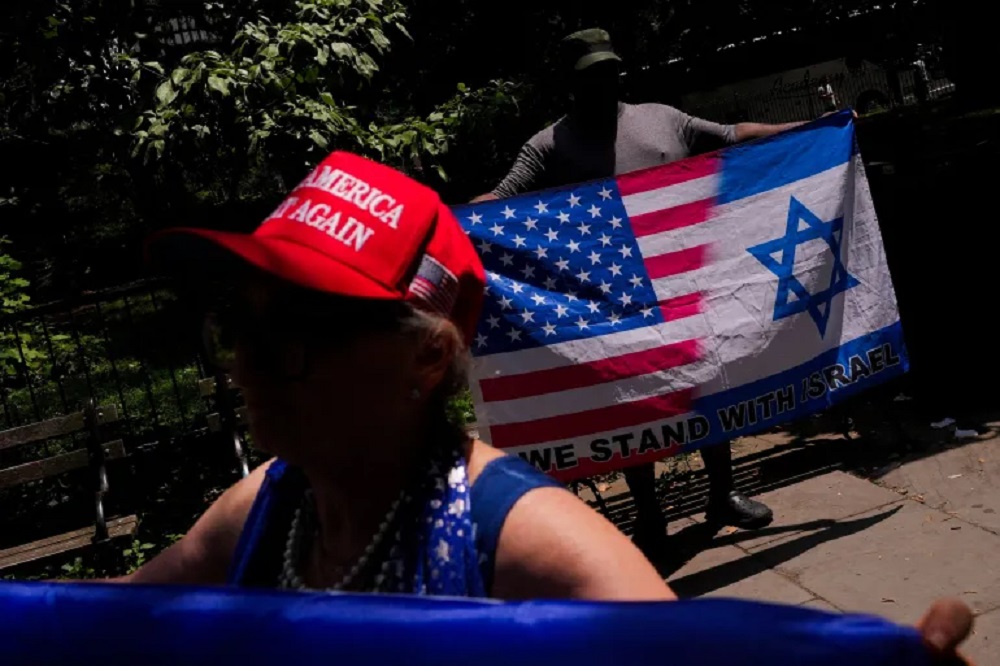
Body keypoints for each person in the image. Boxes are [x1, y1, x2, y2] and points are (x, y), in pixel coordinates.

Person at [115, 150, 674, 600]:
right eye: (241, 329)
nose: (246, 368)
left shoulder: (529, 546)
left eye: (295, 333)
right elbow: (112, 613)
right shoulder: (266, 508)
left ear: (428, 356)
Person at [473, 28, 836, 554]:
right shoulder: (549, 144)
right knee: (629, 403)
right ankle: (649, 517)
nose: (603, 82)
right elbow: (504, 196)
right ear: (570, 83)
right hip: (610, 295)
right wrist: (454, 217)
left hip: (682, 281)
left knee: (706, 382)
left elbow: (732, 135)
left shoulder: (660, 118)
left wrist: (812, 128)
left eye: (609, 71)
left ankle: (722, 494)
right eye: (591, 75)